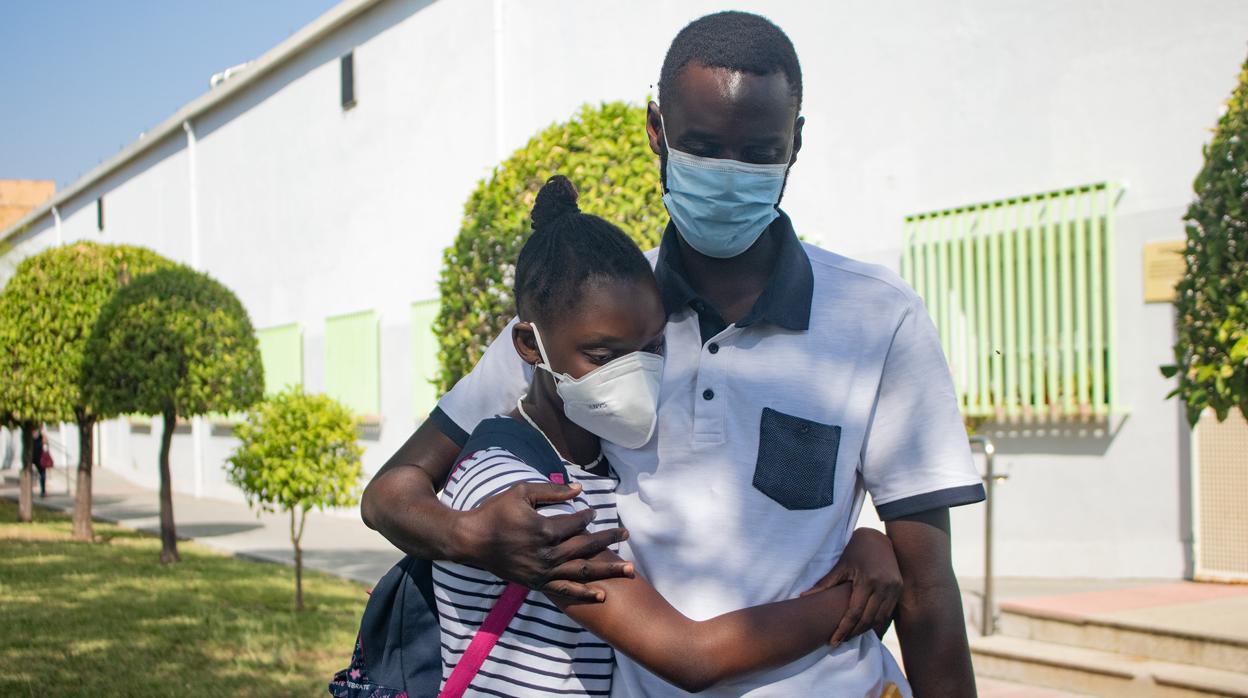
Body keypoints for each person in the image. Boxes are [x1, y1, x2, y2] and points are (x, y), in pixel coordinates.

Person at [364, 11, 984, 697]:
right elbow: (392, 494)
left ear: (795, 143)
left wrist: (877, 548)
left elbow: (927, 586)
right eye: (702, 145)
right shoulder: (587, 324)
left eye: (757, 154)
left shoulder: (877, 317)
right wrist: (470, 537)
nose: (728, 175)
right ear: (656, 131)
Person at [431, 174, 899, 696]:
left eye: (652, 349)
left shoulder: (602, 462)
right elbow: (688, 657)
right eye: (605, 357)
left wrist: (868, 539)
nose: (633, 374)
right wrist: (860, 588)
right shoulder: (513, 488)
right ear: (529, 346)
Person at [33, 425, 48, 499]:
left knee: (42, 474)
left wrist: (42, 433)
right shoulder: (32, 433)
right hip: (33, 457)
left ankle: (43, 491)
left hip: (40, 457)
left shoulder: (41, 435)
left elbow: (45, 441)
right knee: (40, 474)